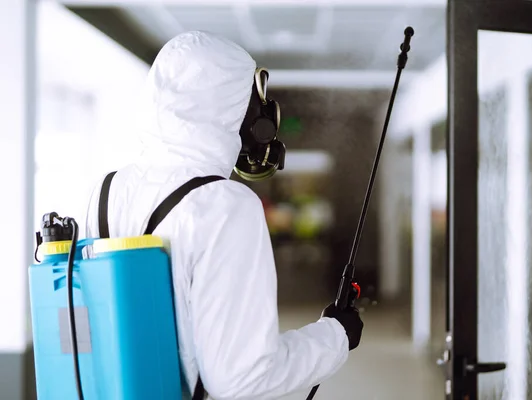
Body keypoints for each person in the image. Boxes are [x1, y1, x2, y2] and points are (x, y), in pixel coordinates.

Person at [84, 31, 363, 400]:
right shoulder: (225, 205)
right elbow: (241, 379)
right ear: (233, 110)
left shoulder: (106, 191)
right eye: (252, 103)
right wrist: (335, 335)